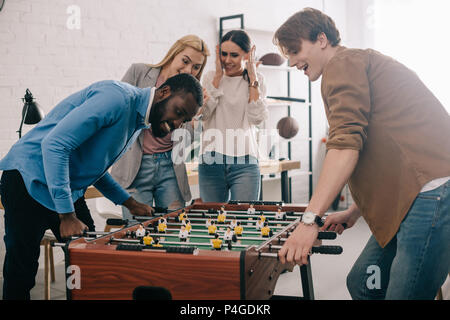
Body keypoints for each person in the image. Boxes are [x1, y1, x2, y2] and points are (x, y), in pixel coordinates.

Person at [274, 8, 450, 300]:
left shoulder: (342, 64)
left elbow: (345, 145)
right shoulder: (353, 64)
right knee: (363, 283)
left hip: (432, 194)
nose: (291, 61)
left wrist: (308, 222)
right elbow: (383, 149)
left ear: (321, 39)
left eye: (295, 50)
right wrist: (354, 211)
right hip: (412, 197)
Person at [0, 73, 203, 300]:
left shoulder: (137, 121)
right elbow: (54, 146)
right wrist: (66, 215)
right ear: (164, 92)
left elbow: (92, 167)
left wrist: (129, 202)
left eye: (183, 120)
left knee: (88, 265)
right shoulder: (116, 98)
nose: (176, 124)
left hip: (62, 186)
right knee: (21, 272)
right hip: (27, 179)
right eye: (178, 112)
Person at [111, 35, 210, 221]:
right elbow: (120, 108)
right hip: (135, 168)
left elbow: (184, 138)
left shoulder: (193, 94)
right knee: (139, 233)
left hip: (170, 168)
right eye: (185, 61)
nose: (189, 70)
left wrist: (195, 119)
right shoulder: (139, 72)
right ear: (174, 53)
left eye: (196, 67)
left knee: (175, 231)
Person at [199, 30, 268, 202]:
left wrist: (252, 77)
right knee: (213, 222)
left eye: (234, 55)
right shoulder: (209, 78)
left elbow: (257, 118)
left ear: (247, 55)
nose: (227, 60)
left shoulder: (257, 80)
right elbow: (203, 115)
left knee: (244, 221)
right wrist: (217, 77)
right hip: (211, 159)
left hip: (245, 161)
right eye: (224, 54)